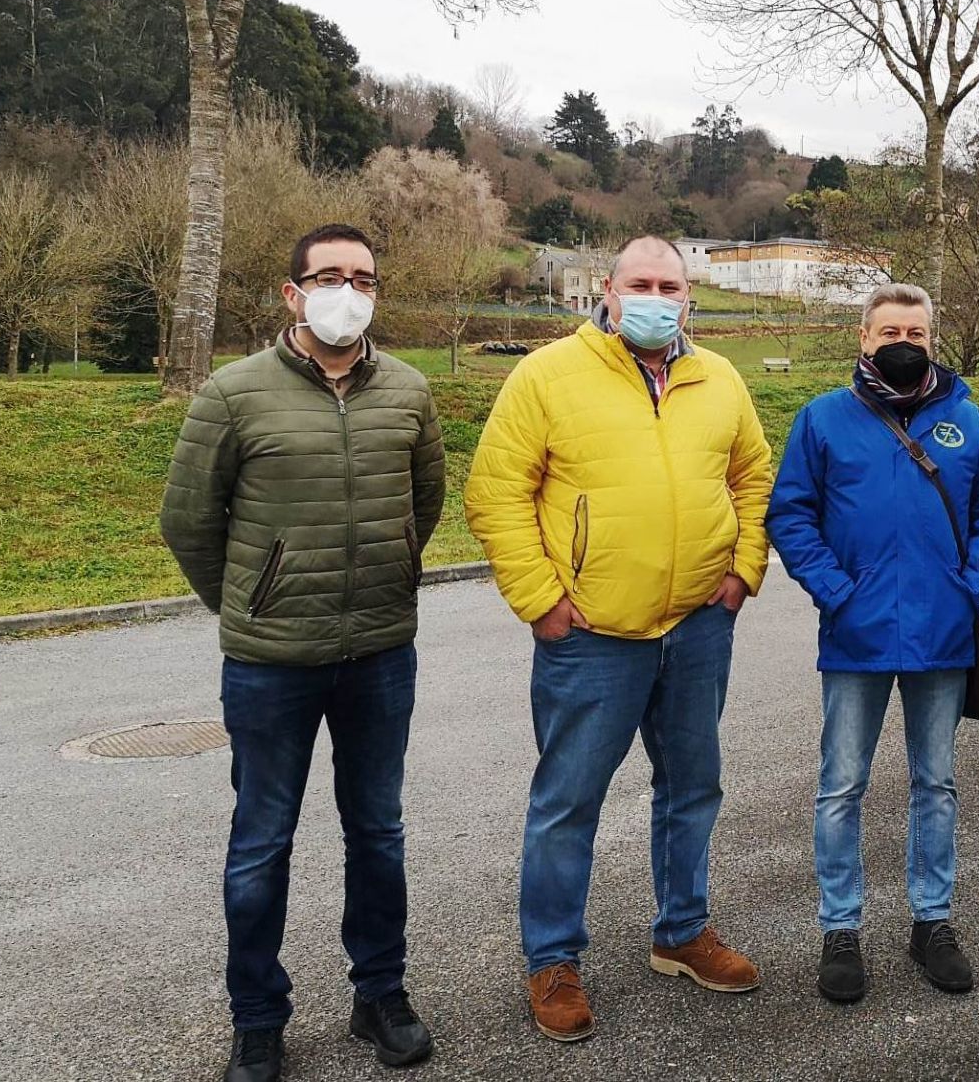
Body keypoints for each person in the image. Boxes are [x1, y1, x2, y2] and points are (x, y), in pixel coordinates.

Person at [465, 235, 773, 1043]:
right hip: (593, 634)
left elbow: (753, 473)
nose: (655, 295)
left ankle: (682, 932)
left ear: (688, 296)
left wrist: (743, 569)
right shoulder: (547, 375)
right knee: (568, 801)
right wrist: (541, 600)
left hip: (699, 626)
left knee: (693, 785)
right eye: (640, 282)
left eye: (669, 284)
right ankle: (554, 960)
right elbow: (496, 490)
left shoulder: (720, 377)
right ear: (607, 289)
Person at [160, 223, 445, 1082]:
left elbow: (423, 505)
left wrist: (387, 576)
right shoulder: (233, 392)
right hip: (269, 663)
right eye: (328, 275)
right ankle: (257, 1018)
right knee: (261, 841)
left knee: (378, 832)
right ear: (293, 293)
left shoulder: (408, 390)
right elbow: (188, 521)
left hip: (379, 654)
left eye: (361, 277)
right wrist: (253, 603)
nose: (345, 290)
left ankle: (380, 994)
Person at [766, 283, 979, 1004]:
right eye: (889, 330)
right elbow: (791, 514)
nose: (902, 341)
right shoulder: (822, 420)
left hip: (944, 635)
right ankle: (840, 928)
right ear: (864, 337)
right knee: (841, 786)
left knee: (934, 783)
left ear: (932, 339)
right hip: (856, 636)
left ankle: (931, 920)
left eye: (915, 330)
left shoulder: (966, 421)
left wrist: (973, 584)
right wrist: (837, 592)